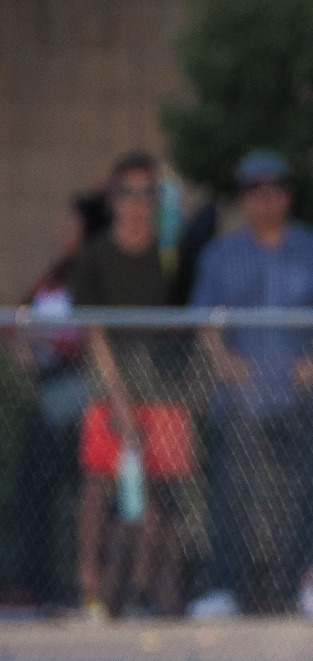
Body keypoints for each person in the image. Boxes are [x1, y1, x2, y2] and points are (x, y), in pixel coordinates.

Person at [185, 151, 313, 620]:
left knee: (308, 493)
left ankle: (310, 585)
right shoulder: (221, 253)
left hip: (299, 394)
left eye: (273, 190)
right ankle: (222, 590)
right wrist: (223, 362)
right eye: (254, 191)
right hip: (240, 397)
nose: (264, 199)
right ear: (243, 199)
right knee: (230, 497)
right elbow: (204, 318)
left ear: (288, 195)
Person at [70, 150, 190, 620]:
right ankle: (90, 587)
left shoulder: (170, 254)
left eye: (147, 193)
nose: (137, 202)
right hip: (109, 391)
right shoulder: (94, 256)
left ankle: (150, 589)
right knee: (99, 489)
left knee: (161, 497)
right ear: (113, 198)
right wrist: (117, 395)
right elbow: (93, 332)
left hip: (164, 393)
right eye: (128, 192)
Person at [5, 192, 105, 612]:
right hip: (48, 390)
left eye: (71, 224)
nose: (62, 231)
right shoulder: (55, 274)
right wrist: (27, 344)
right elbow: (20, 319)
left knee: (85, 494)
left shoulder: (93, 271)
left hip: (80, 393)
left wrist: (47, 340)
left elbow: (86, 337)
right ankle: (32, 586)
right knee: (34, 491)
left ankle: (75, 589)